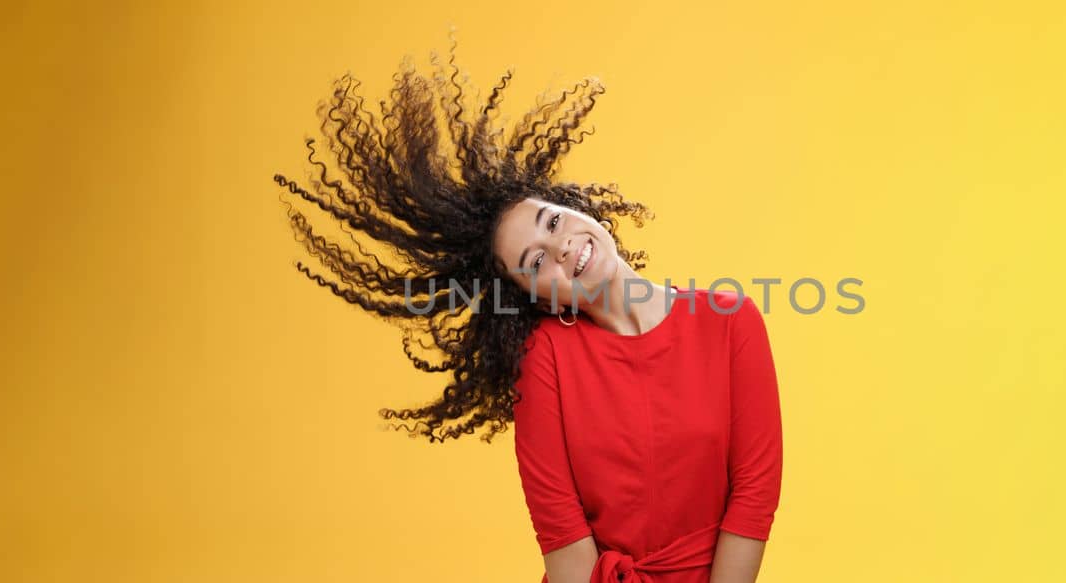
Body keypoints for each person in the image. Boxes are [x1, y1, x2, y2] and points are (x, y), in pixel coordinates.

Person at [272, 35, 783, 583]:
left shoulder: (730, 320)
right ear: (539, 298)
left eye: (553, 221)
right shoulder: (544, 360)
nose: (561, 247)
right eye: (535, 262)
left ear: (581, 211)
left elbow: (754, 495)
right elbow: (562, 535)